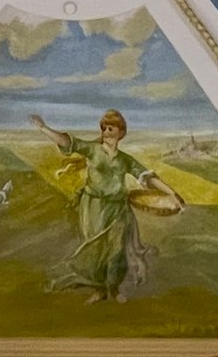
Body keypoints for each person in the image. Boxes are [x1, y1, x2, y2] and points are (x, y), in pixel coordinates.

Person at [31, 108, 181, 301]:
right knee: (95, 249)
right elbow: (67, 142)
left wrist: (172, 193)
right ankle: (99, 290)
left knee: (117, 250)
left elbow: (149, 177)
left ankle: (114, 288)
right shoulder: (92, 150)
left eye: (111, 128)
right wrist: (43, 128)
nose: (106, 131)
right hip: (93, 207)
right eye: (104, 128)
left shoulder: (125, 159)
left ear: (121, 132)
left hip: (118, 208)